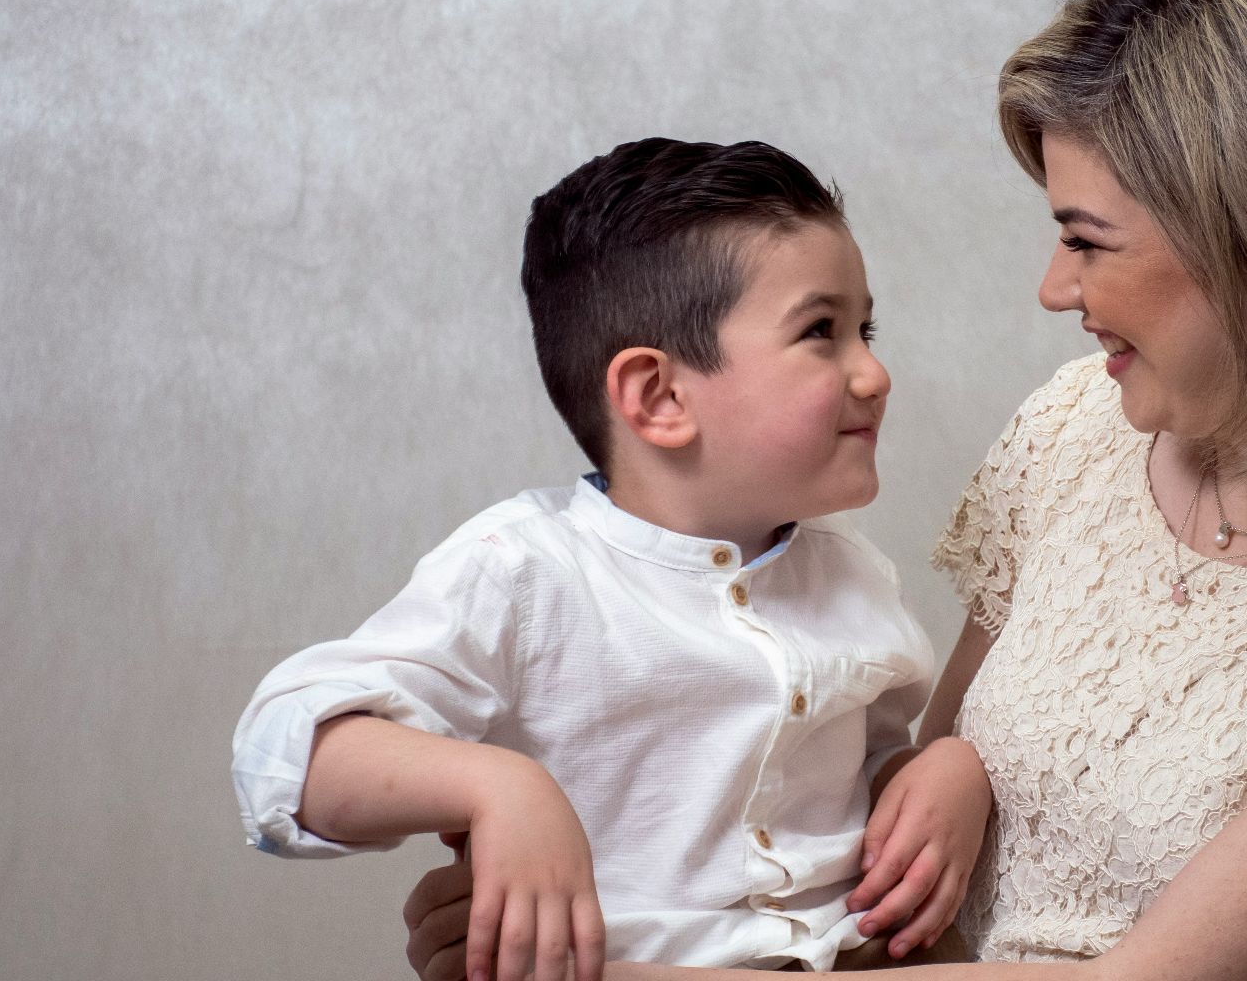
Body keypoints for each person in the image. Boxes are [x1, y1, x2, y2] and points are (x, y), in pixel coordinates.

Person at [403, 0, 1247, 981]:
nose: (1052, 288)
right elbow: (897, 872)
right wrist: (589, 911)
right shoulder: (1077, 429)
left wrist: (617, 972)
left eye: (1087, 240)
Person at [231, 138, 990, 981]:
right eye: (823, 332)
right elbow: (284, 753)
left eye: (866, 329)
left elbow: (860, 790)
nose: (874, 372)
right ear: (658, 397)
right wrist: (503, 789)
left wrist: (945, 772)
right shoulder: (524, 574)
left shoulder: (854, 576)